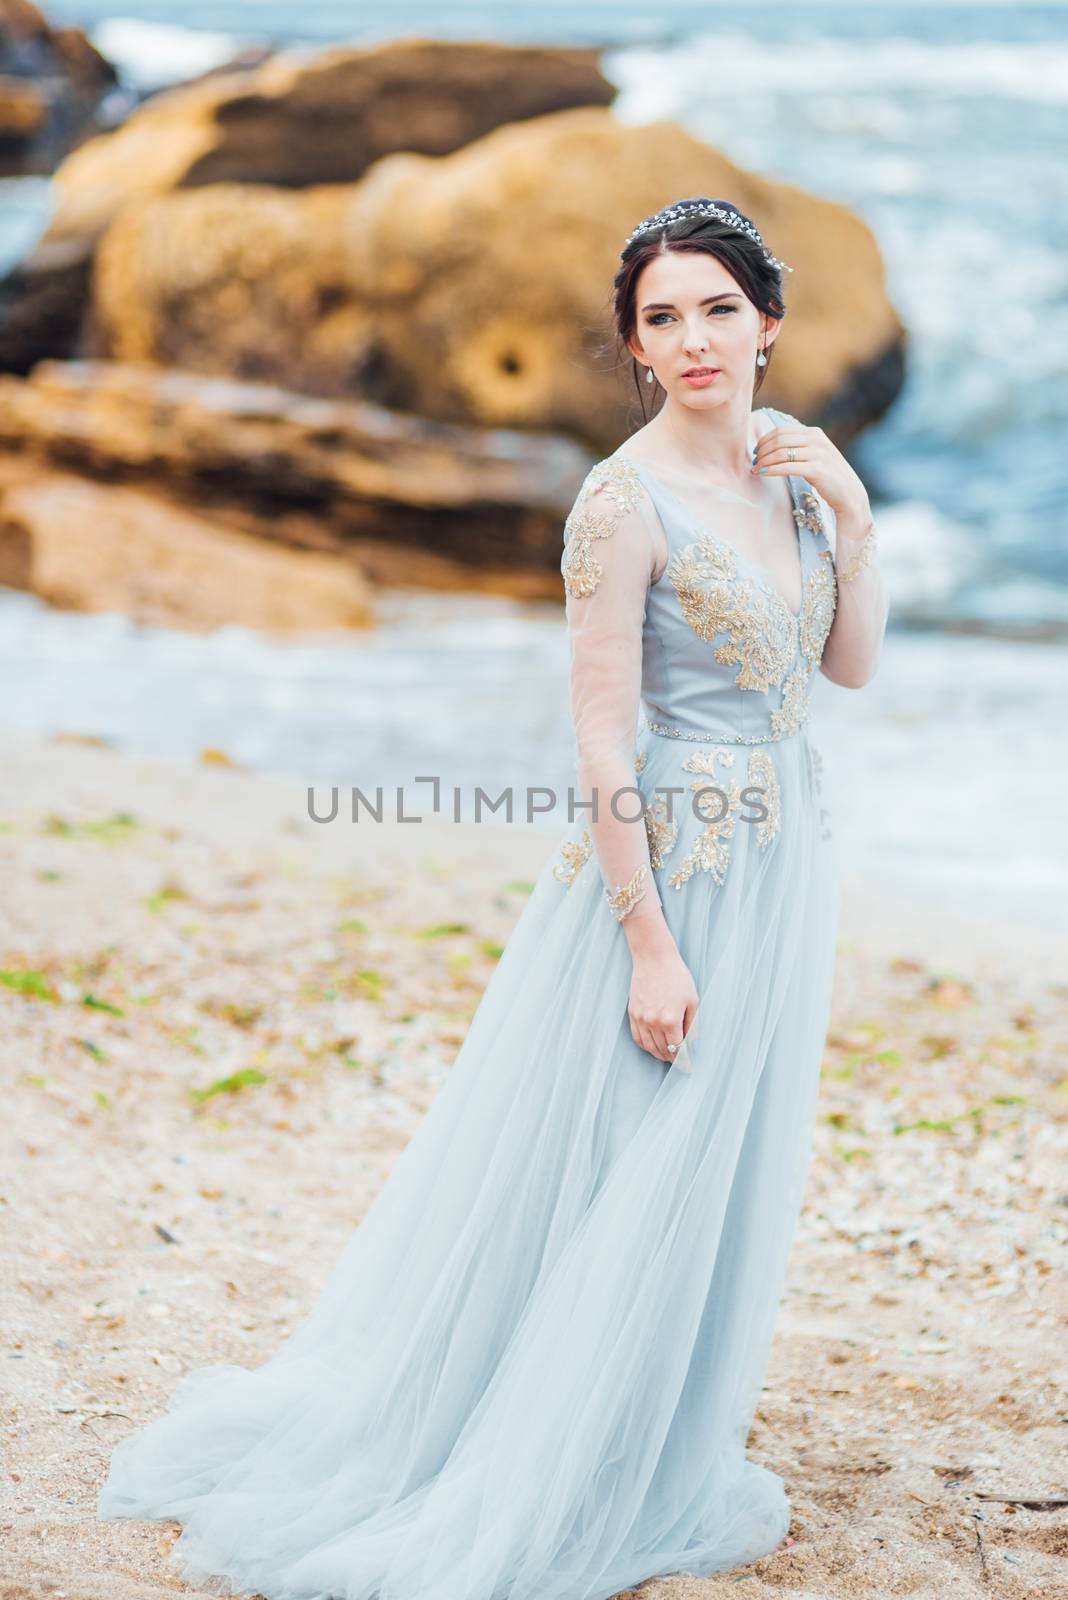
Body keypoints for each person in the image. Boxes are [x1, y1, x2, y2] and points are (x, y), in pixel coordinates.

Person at [97, 196, 888, 1599]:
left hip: (785, 857)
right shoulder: (621, 500)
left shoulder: (789, 478)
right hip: (673, 869)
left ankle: (645, 1441)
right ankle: (533, 1458)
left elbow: (843, 674)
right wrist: (648, 943)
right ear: (634, 350)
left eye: (717, 309)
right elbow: (597, 738)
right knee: (628, 1163)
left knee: (715, 1169)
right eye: (661, 318)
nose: (692, 339)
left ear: (768, 322)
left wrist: (854, 516)